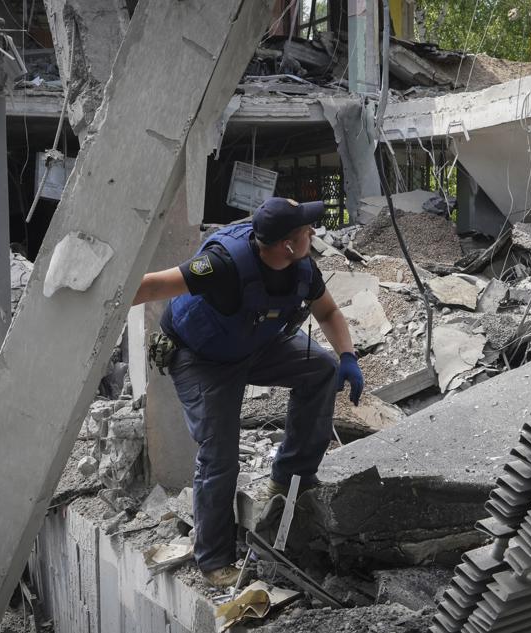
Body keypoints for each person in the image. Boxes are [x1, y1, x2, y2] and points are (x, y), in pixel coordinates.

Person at [132, 197, 365, 588]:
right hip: (201, 358)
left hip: (254, 345)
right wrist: (92, 305)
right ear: (287, 244)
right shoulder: (223, 265)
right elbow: (154, 285)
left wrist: (347, 355)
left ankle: (293, 476)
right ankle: (214, 559)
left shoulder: (302, 268)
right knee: (219, 454)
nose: (313, 232)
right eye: (306, 230)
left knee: (321, 369)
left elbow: (327, 313)